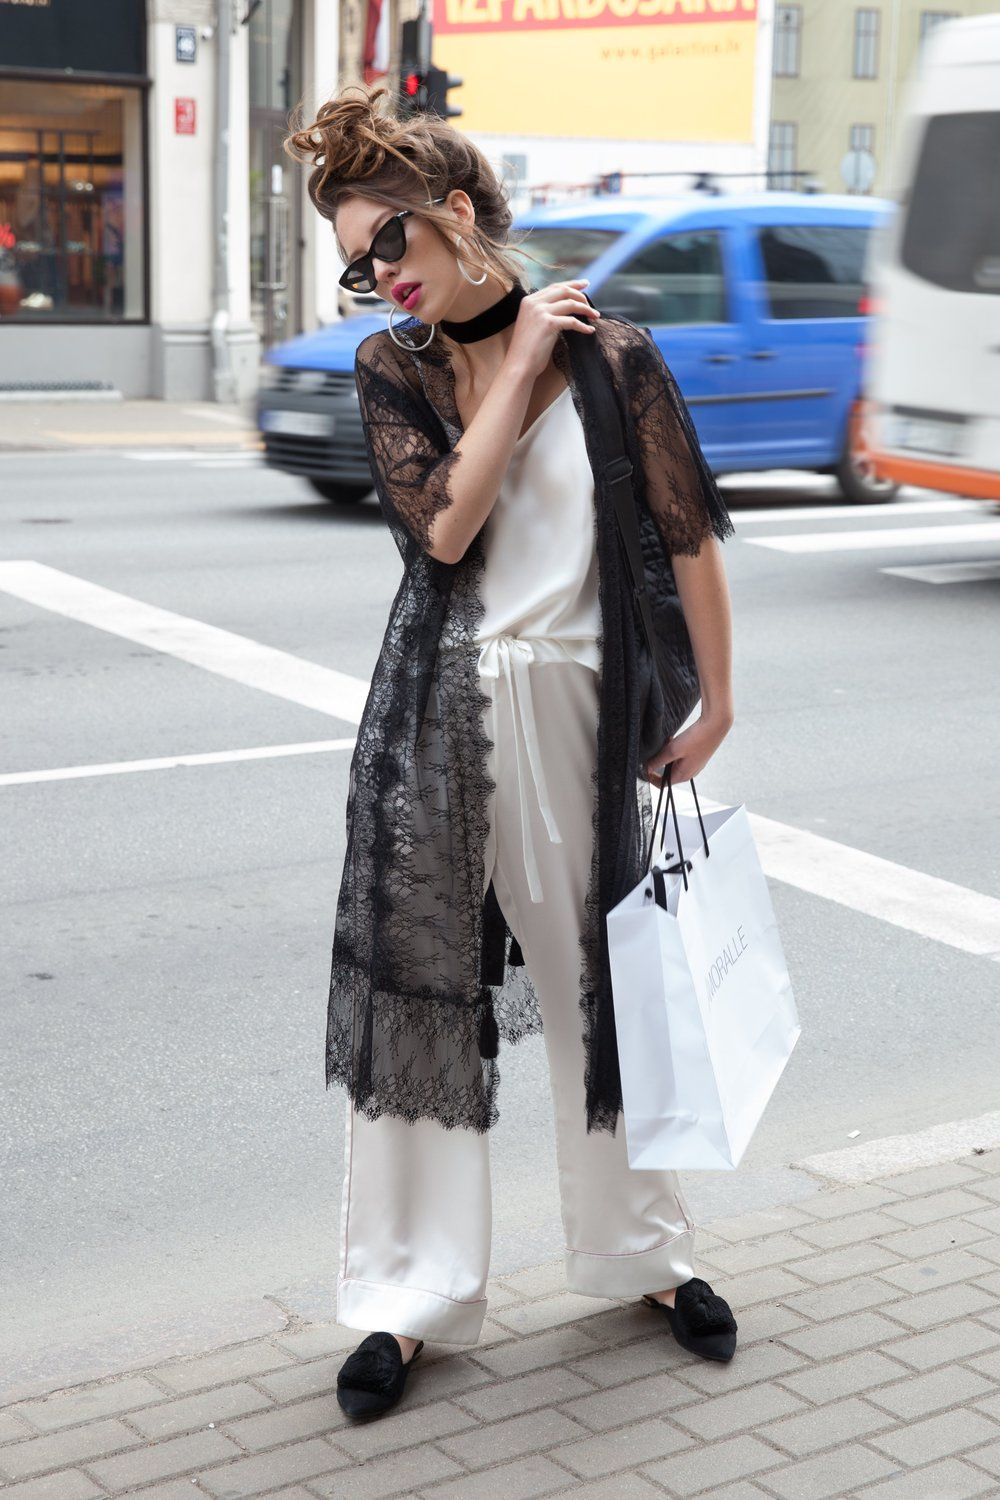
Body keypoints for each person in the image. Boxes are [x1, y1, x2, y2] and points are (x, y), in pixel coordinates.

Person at [284, 82, 739, 1420]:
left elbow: (690, 539)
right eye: (357, 261)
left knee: (608, 999)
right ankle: (407, 1297)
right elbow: (444, 529)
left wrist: (718, 704)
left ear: (458, 210)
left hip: (588, 717)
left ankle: (646, 1256)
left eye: (389, 240)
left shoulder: (620, 359)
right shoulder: (398, 370)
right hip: (442, 723)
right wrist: (521, 353)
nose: (378, 275)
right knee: (420, 1000)